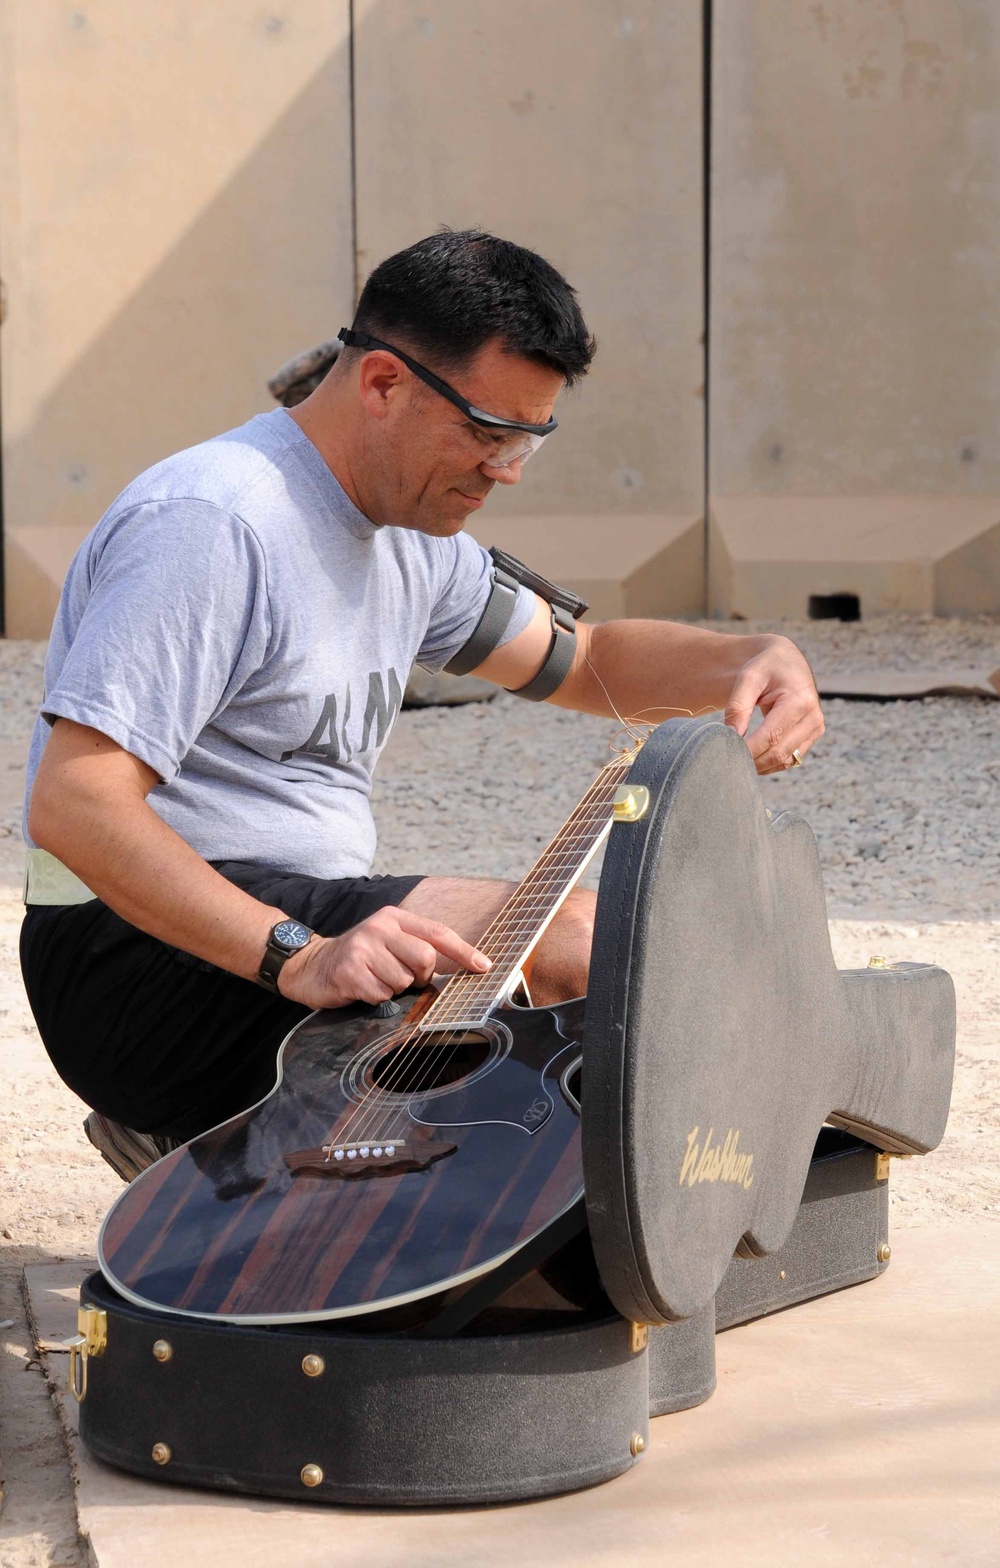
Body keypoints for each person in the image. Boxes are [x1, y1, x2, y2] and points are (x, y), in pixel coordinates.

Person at [19, 230, 824, 1179]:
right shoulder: (216, 523)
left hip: (282, 923)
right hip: (127, 958)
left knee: (631, 951)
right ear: (385, 384)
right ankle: (216, 1134)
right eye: (488, 432)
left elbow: (587, 660)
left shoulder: (412, 531)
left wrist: (754, 656)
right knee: (576, 947)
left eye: (530, 437)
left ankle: (305, 1171)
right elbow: (74, 806)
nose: (508, 469)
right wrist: (295, 957)